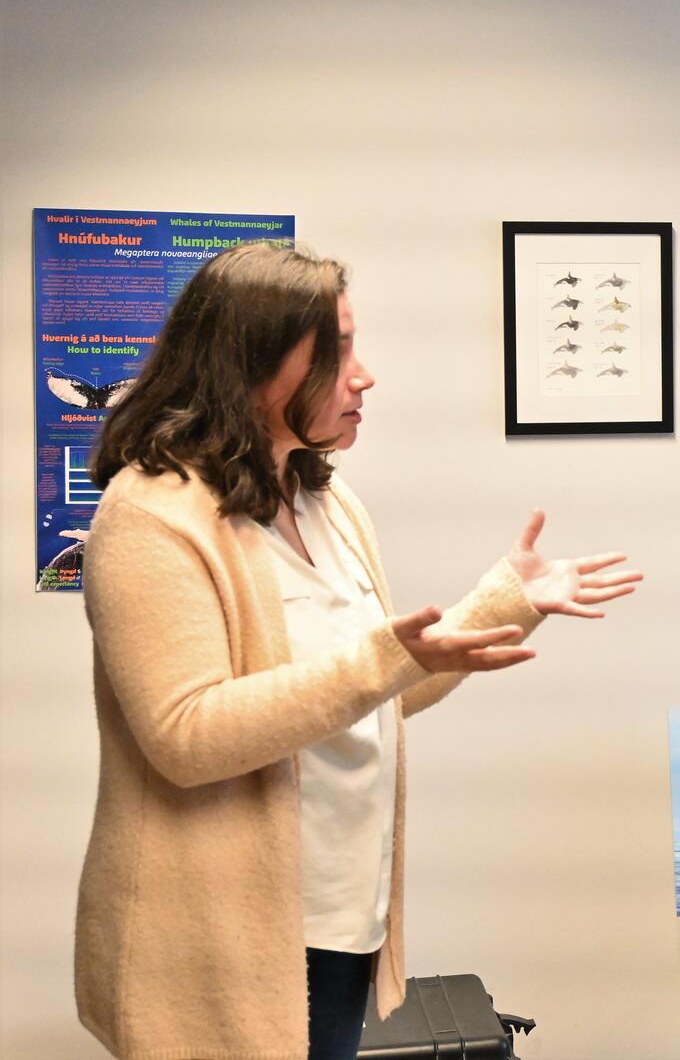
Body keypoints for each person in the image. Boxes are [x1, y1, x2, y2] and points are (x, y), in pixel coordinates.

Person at [74, 242, 641, 1060]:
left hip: (340, 921)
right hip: (219, 940)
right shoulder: (152, 515)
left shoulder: (325, 498)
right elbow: (185, 736)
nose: (363, 376)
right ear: (252, 365)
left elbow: (372, 690)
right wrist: (385, 657)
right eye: (335, 353)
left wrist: (505, 605)